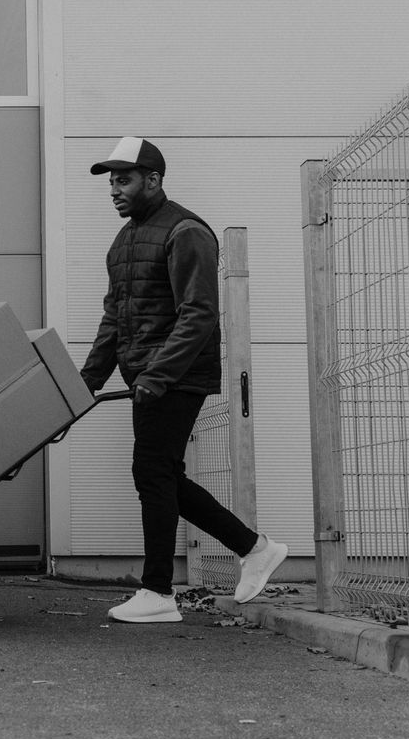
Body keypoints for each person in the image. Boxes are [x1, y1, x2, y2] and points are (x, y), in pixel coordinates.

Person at [79, 136, 289, 623]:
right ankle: (255, 548)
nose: (114, 189)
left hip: (173, 376)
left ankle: (158, 592)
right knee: (164, 475)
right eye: (111, 181)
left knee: (151, 472)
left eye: (124, 179)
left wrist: (159, 374)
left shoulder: (186, 231)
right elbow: (114, 318)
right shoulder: (125, 241)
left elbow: (199, 314)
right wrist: (86, 380)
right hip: (149, 376)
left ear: (153, 180)